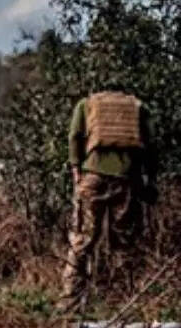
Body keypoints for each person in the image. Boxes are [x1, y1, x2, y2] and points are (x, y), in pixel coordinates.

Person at [60, 88, 158, 314]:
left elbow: (74, 136)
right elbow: (151, 147)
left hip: (92, 178)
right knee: (124, 244)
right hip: (127, 179)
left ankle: (69, 303)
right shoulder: (138, 107)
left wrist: (76, 168)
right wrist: (150, 180)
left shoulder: (86, 104)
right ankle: (123, 303)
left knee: (82, 240)